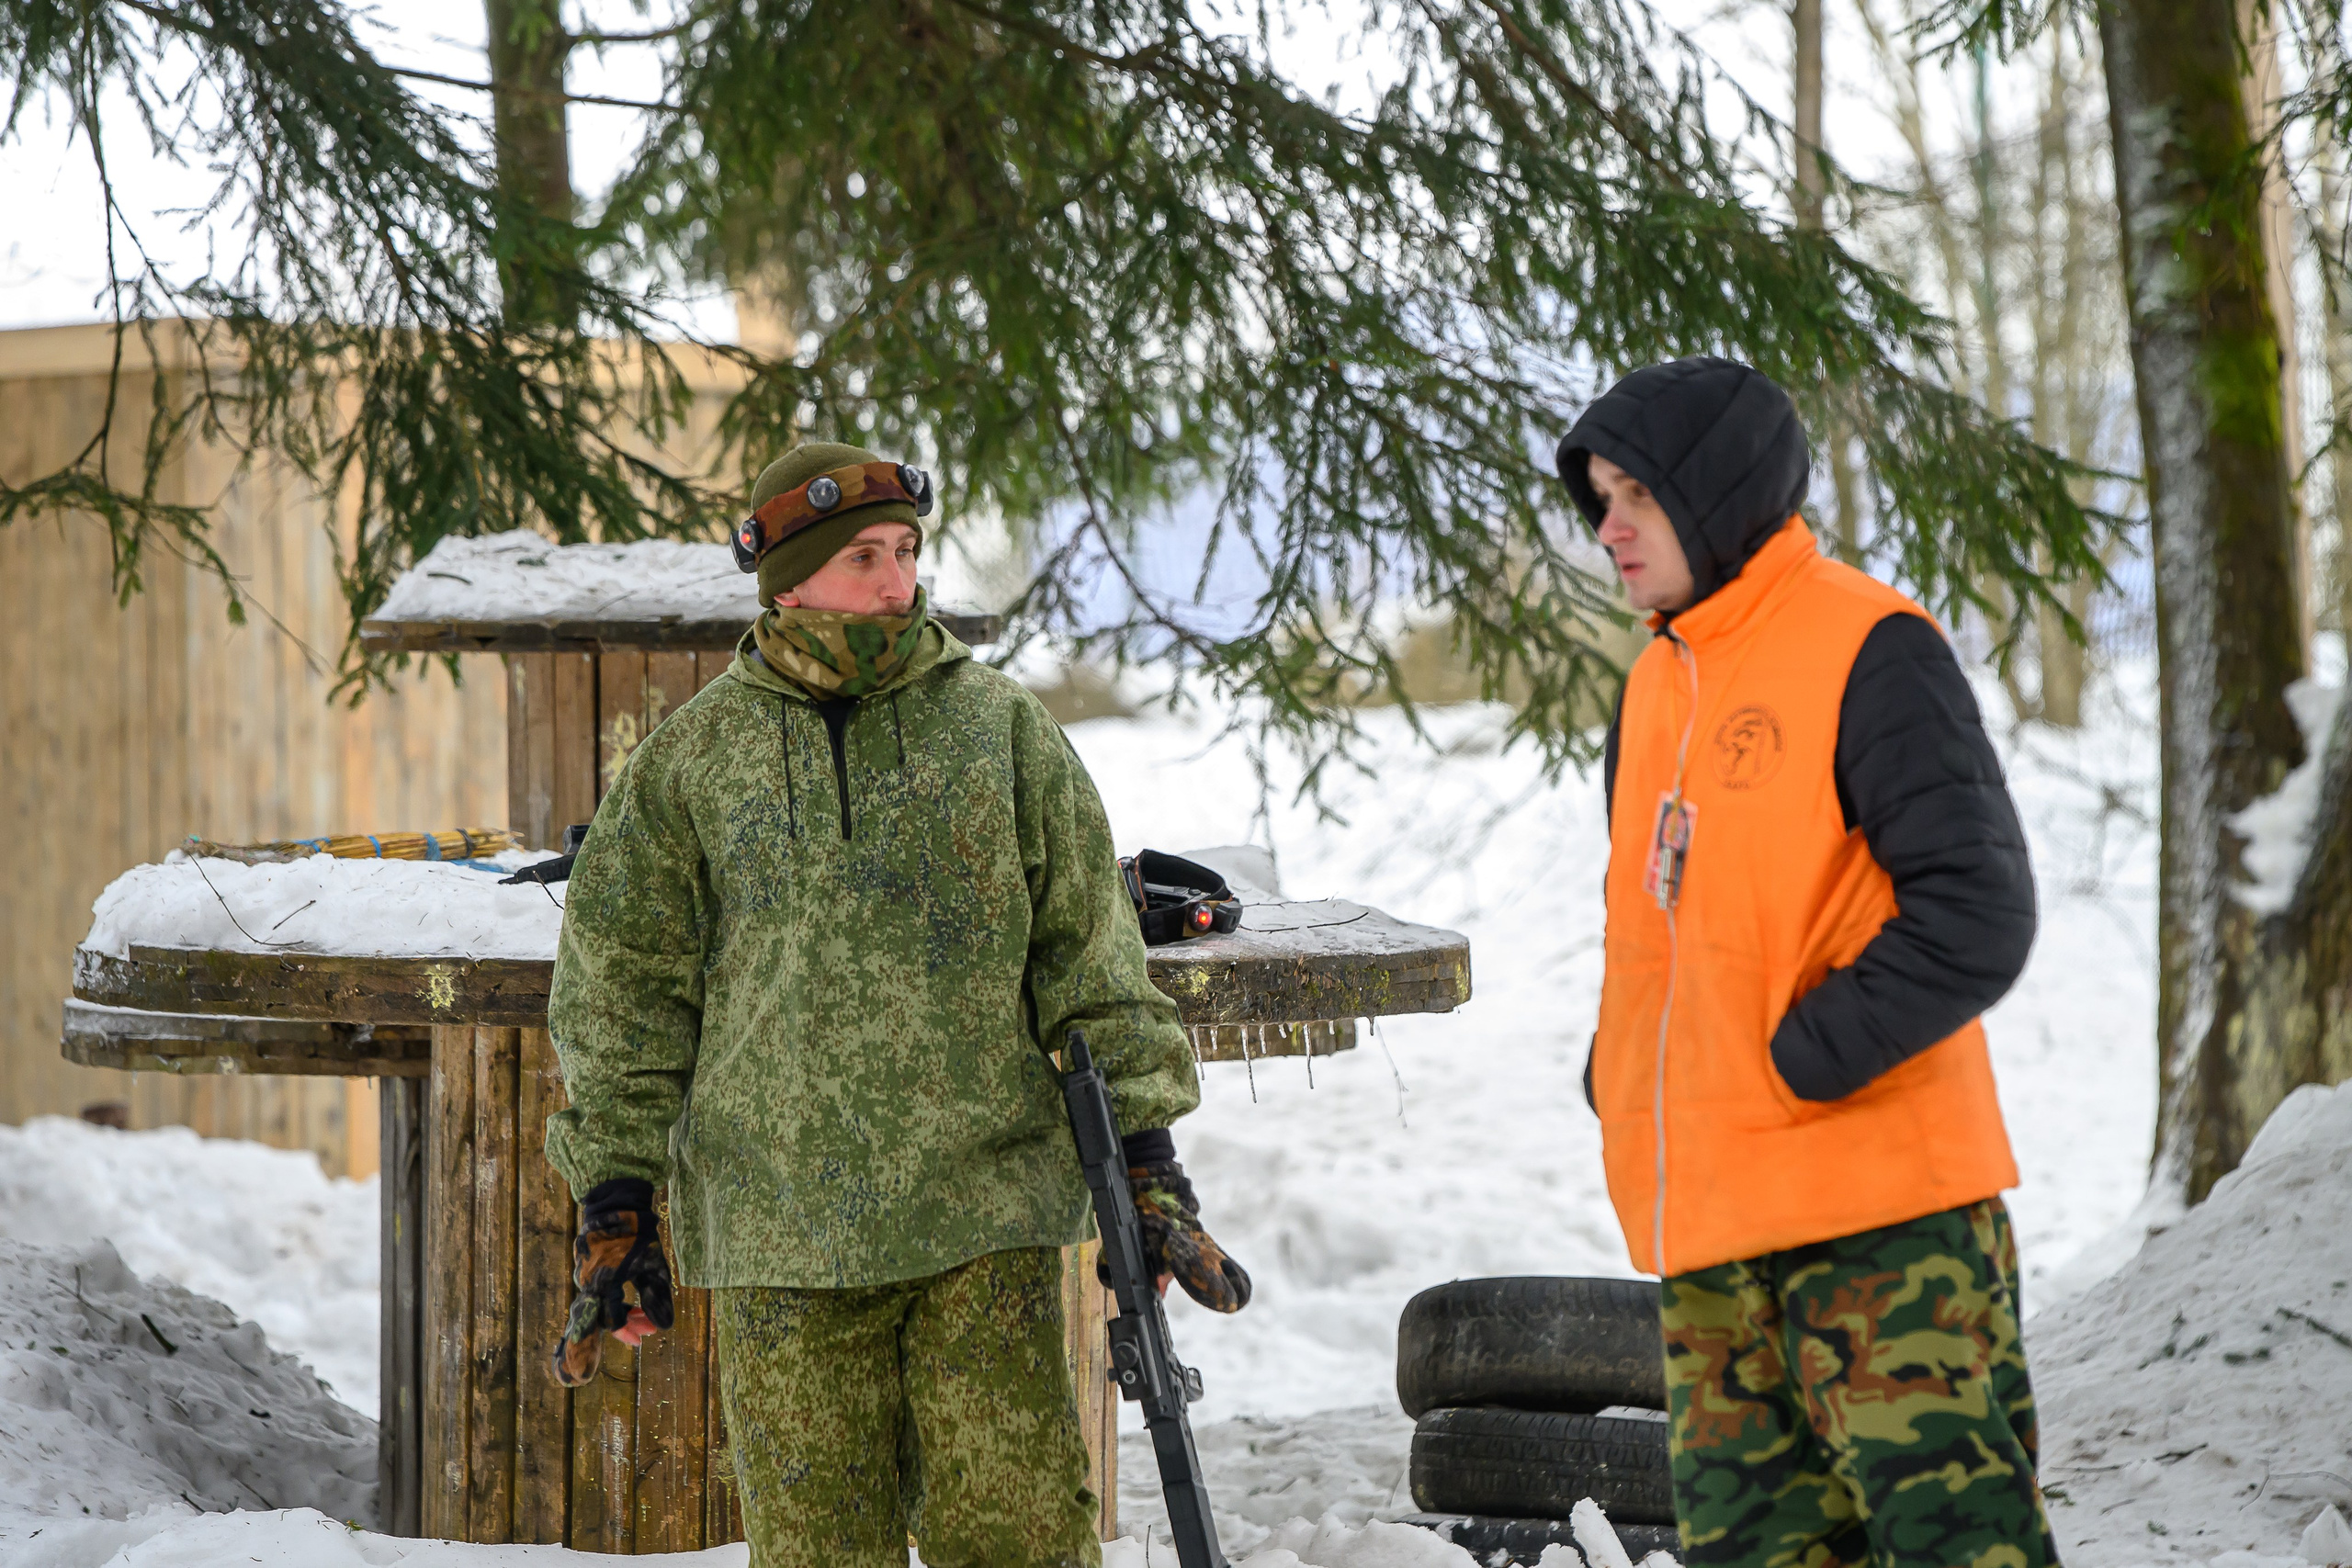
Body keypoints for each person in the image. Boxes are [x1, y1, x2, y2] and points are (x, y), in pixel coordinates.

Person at [541, 440, 1250, 1568]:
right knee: (820, 1552)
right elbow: (624, 996)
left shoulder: (1003, 734)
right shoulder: (690, 765)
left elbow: (1089, 964)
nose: (894, 580)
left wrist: (1150, 1170)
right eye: (863, 555)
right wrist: (617, 1200)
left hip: (984, 1219)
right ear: (784, 579)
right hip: (782, 1238)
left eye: (908, 551)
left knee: (1016, 1543)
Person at [1556, 358, 2057, 1567]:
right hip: (1713, 1234)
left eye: (1638, 494)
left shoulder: (1867, 643)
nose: (1609, 527)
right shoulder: (1654, 681)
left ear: (1716, 490)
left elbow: (1977, 909)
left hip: (1881, 1227)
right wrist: (1622, 1071)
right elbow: (1669, 927)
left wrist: (1802, 1057)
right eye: (1599, 497)